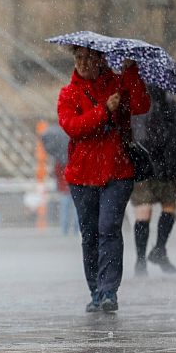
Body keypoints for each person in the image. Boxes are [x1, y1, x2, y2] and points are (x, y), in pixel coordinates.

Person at [57, 46, 150, 313]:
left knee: (109, 227)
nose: (83, 62)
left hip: (117, 171)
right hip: (82, 175)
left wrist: (131, 71)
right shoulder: (68, 93)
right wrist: (103, 110)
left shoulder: (118, 84)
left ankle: (109, 290)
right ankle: (95, 290)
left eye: (89, 57)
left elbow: (142, 104)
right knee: (90, 234)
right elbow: (74, 126)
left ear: (101, 59)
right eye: (79, 57)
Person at [131, 86, 176, 276]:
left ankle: (143, 260)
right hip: (162, 164)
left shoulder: (134, 101)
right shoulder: (168, 103)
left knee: (145, 210)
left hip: (142, 163)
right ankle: (157, 251)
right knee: (167, 205)